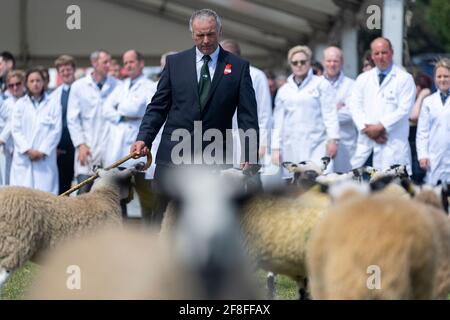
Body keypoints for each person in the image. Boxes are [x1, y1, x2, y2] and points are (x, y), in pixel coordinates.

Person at [130, 9, 259, 225]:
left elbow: (248, 115)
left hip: (214, 158)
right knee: (161, 222)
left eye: (210, 34)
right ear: (192, 34)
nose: (206, 40)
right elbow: (158, 107)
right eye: (200, 35)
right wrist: (144, 138)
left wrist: (250, 151)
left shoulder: (238, 67)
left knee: (209, 223)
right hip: (172, 157)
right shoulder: (175, 63)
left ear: (220, 31)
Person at [103, 49, 157, 220]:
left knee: (146, 200)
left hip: (140, 151)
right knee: (120, 199)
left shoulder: (150, 86)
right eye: (125, 62)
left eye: (131, 62)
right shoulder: (121, 86)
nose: (128, 65)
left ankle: (149, 240)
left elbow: (139, 109)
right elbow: (106, 109)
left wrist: (122, 107)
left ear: (141, 63)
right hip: (120, 152)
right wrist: (123, 114)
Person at [349, 37, 416, 173]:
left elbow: (404, 110)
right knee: (361, 188)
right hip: (367, 143)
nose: (380, 57)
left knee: (394, 190)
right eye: (377, 53)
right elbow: (355, 106)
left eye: (384, 52)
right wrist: (367, 129)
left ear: (391, 52)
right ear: (372, 56)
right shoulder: (363, 79)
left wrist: (380, 127)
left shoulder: (404, 79)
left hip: (392, 145)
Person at [271, 45, 339, 177]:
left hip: (317, 144)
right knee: (294, 187)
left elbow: (330, 114)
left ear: (309, 63)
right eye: (295, 62)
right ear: (290, 65)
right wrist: (275, 148)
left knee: (318, 183)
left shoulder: (321, 84)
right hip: (290, 146)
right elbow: (278, 122)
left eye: (303, 62)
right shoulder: (283, 90)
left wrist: (333, 140)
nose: (299, 65)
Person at [67, 50, 118, 194]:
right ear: (94, 63)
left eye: (109, 61)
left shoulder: (118, 85)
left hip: (110, 150)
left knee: (114, 198)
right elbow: (72, 119)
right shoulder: (78, 86)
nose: (109, 65)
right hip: (87, 149)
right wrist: (81, 144)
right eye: (105, 62)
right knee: (84, 193)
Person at [220, 39, 272, 169]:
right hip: (221, 141)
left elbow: (264, 113)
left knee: (251, 185)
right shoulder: (217, 74)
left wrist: (261, 144)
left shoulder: (256, 75)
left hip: (248, 140)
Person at [9, 68, 62, 194]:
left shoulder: (53, 104)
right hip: (24, 159)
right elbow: (16, 130)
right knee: (21, 201)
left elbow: (56, 131)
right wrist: (28, 150)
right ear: (26, 84)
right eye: (31, 81)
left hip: (44, 160)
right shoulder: (20, 104)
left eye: (38, 80)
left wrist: (42, 151)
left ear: (43, 82)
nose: (35, 84)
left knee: (46, 201)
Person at [322, 46, 356, 173]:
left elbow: (350, 113)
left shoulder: (352, 85)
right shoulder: (316, 84)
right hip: (322, 143)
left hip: (345, 143)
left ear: (341, 62)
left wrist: (326, 112)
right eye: (329, 61)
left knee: (345, 183)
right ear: (323, 62)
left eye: (335, 61)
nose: (332, 64)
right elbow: (312, 114)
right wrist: (336, 108)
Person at [416, 58, 450, 185]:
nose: (442, 80)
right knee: (435, 196)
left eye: (446, 76)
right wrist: (423, 155)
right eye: (439, 76)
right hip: (434, 157)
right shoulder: (428, 102)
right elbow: (422, 132)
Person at [52, 55, 77, 194]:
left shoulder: (82, 89)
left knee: (84, 185)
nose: (66, 73)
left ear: (73, 70)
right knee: (63, 187)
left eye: (68, 69)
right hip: (63, 148)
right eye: (62, 71)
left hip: (81, 147)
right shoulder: (54, 95)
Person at [0, 70, 26, 185]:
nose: (15, 88)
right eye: (11, 85)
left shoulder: (30, 102)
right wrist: (3, 138)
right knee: (7, 184)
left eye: (18, 84)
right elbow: (9, 122)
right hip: (8, 150)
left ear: (23, 84)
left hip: (26, 150)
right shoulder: (6, 104)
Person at [408, 72, 432, 184]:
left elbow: (414, 116)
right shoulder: (410, 100)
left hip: (418, 146)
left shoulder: (428, 102)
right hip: (410, 144)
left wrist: (422, 96)